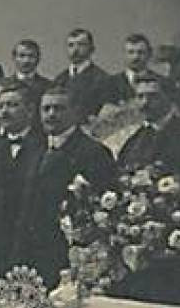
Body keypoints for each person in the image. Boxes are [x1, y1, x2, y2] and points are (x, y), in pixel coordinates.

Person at [12, 88, 114, 285]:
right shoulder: (32, 149)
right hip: (29, 254)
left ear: (75, 111)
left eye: (58, 109)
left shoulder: (94, 152)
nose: (51, 114)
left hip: (69, 256)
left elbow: (102, 211)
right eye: (46, 109)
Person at [0, 80, 44, 273]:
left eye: (12, 105)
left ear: (30, 110)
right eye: (1, 106)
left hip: (28, 244)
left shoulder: (43, 146)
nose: (4, 112)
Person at [116, 73, 180, 180]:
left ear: (170, 97)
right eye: (140, 97)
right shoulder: (134, 141)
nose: (145, 103)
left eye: (153, 96)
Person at [51, 27, 115, 121]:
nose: (75, 50)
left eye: (81, 45)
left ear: (92, 49)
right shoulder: (59, 79)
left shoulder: (102, 79)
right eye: (71, 45)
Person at [110, 32, 156, 104]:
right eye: (131, 52)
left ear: (149, 54)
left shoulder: (163, 83)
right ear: (124, 54)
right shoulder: (110, 83)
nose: (135, 57)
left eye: (140, 52)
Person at [9, 39, 51, 104]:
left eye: (31, 56)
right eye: (22, 56)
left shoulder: (49, 87)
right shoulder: (4, 85)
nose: (26, 60)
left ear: (38, 59)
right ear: (14, 58)